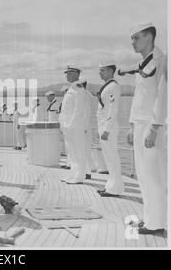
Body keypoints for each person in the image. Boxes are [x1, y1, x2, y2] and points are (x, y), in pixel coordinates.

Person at [125, 22, 167, 234]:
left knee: (153, 174)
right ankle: (152, 219)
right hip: (140, 125)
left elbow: (162, 97)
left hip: (152, 127)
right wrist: (132, 126)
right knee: (143, 175)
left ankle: (158, 223)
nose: (133, 42)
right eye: (132, 38)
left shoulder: (161, 61)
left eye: (136, 38)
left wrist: (154, 127)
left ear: (149, 38)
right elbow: (138, 99)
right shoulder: (143, 64)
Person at [95, 63, 124, 197]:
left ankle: (115, 188)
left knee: (112, 158)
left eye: (102, 70)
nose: (99, 73)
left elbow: (114, 109)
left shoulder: (113, 86)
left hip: (109, 128)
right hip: (104, 127)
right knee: (108, 159)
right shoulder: (108, 85)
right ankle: (110, 186)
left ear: (110, 71)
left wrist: (106, 130)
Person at [59, 66, 86, 184]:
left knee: (78, 151)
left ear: (76, 74)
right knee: (72, 152)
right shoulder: (72, 89)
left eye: (69, 73)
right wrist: (64, 124)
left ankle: (79, 176)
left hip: (75, 127)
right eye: (67, 73)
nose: (67, 76)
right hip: (68, 127)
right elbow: (65, 110)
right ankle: (73, 174)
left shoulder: (79, 89)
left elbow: (78, 110)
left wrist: (71, 124)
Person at [76, 76, 95, 179]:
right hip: (84, 126)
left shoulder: (84, 95)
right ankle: (86, 171)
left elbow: (86, 113)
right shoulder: (85, 94)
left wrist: (84, 128)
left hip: (84, 127)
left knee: (84, 149)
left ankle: (86, 172)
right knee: (84, 149)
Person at [58, 85, 70, 169]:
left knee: (69, 146)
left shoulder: (68, 101)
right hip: (64, 127)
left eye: (64, 92)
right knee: (67, 146)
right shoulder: (64, 101)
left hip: (68, 127)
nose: (63, 94)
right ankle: (68, 163)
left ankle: (70, 164)